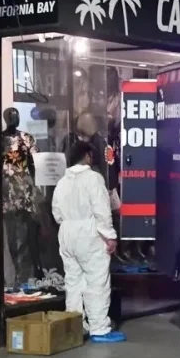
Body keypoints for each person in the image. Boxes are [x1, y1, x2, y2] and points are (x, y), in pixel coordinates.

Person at [52, 141, 125, 343]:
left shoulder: (62, 181)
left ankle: (75, 325)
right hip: (89, 232)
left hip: (67, 232)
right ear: (87, 156)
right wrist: (110, 236)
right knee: (97, 281)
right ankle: (99, 328)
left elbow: (56, 213)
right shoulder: (93, 178)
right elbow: (102, 210)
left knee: (73, 282)